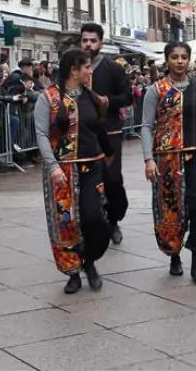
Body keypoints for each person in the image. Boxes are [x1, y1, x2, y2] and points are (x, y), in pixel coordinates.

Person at [140, 42, 196, 283]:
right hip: (166, 157)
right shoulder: (155, 90)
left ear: (189, 60)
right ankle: (174, 255)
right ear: (167, 60)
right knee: (172, 207)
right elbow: (147, 126)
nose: (179, 61)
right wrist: (148, 159)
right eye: (174, 57)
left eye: (183, 57)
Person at [34, 49, 113, 294]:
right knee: (65, 222)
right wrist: (52, 165)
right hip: (62, 169)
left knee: (94, 217)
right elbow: (42, 134)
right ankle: (72, 272)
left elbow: (100, 130)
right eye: (87, 67)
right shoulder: (48, 98)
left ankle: (89, 261)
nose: (90, 71)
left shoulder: (92, 98)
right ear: (74, 70)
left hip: (91, 167)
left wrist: (109, 158)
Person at [80, 23, 133, 245]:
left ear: (100, 42)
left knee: (111, 180)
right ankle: (88, 225)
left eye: (93, 40)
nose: (88, 44)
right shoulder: (72, 68)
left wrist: (108, 102)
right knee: (85, 181)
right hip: (83, 137)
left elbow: (127, 96)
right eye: (85, 40)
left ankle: (113, 220)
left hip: (109, 133)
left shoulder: (113, 68)